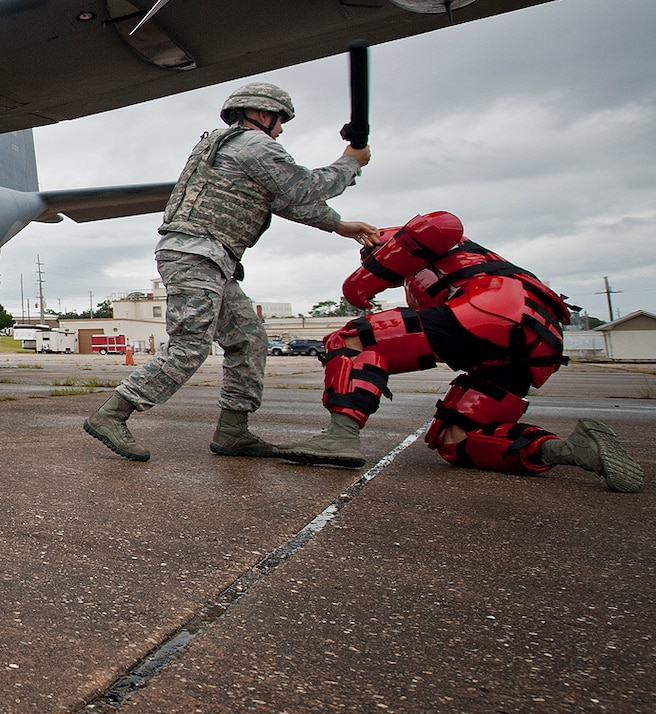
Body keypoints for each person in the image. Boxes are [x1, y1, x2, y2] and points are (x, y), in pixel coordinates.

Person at [83, 81, 378, 465]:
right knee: (190, 345)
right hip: (197, 254)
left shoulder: (234, 148)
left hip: (211, 258)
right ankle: (113, 413)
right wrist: (350, 162)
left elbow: (285, 199)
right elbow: (304, 186)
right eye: (280, 120)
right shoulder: (255, 145)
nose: (282, 129)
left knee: (248, 339)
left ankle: (234, 430)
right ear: (261, 114)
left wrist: (340, 226)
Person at [278, 211, 642, 491]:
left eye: (371, 253)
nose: (370, 260)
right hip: (531, 344)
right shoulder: (453, 270)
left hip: (492, 312)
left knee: (350, 339)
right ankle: (571, 450)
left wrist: (358, 284)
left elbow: (442, 223)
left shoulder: (442, 243)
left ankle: (341, 438)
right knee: (456, 441)